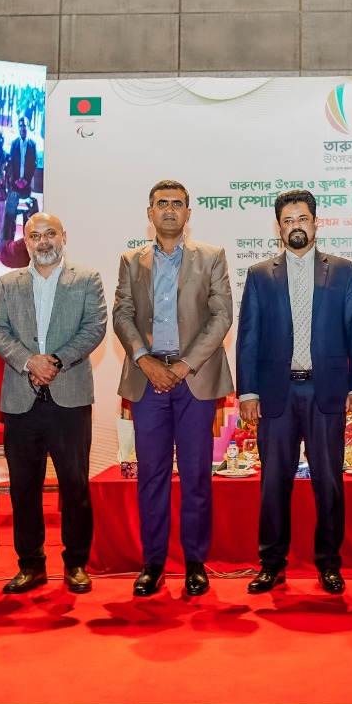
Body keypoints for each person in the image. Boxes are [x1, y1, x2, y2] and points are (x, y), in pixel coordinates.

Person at [236, 190, 352, 595]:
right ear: (278, 227)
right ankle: (271, 563)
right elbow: (248, 337)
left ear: (316, 223)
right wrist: (248, 393)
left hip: (325, 391)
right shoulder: (260, 274)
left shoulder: (342, 271)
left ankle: (329, 563)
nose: (296, 225)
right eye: (288, 220)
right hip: (275, 394)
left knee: (328, 483)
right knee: (273, 483)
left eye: (303, 218)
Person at [111, 180, 234, 597]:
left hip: (194, 379)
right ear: (149, 213)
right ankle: (153, 563)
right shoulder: (131, 260)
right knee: (152, 474)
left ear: (188, 213)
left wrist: (183, 365)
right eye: (161, 203)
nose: (169, 210)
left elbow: (221, 316)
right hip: (148, 380)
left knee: (196, 474)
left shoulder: (212, 256)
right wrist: (144, 360)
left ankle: (195, 563)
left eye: (177, 204)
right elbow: (122, 315)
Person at [0, 212, 108, 594]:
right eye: (35, 235)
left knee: (74, 485)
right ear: (26, 242)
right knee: (24, 488)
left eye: (50, 233)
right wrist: (29, 361)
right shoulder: (7, 284)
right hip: (20, 399)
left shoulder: (86, 279)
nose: (43, 241)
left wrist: (54, 361)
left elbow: (95, 327)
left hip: (69, 397)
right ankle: (31, 565)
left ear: (63, 237)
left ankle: (76, 563)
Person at [4, 117, 39, 249]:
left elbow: (34, 164)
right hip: (15, 186)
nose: (23, 128)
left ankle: (26, 246)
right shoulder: (14, 144)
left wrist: (26, 180)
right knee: (12, 216)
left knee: (27, 217)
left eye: (25, 126)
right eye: (21, 126)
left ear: (28, 127)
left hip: (26, 186)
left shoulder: (32, 144)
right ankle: (11, 246)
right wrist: (15, 180)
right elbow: (10, 163)